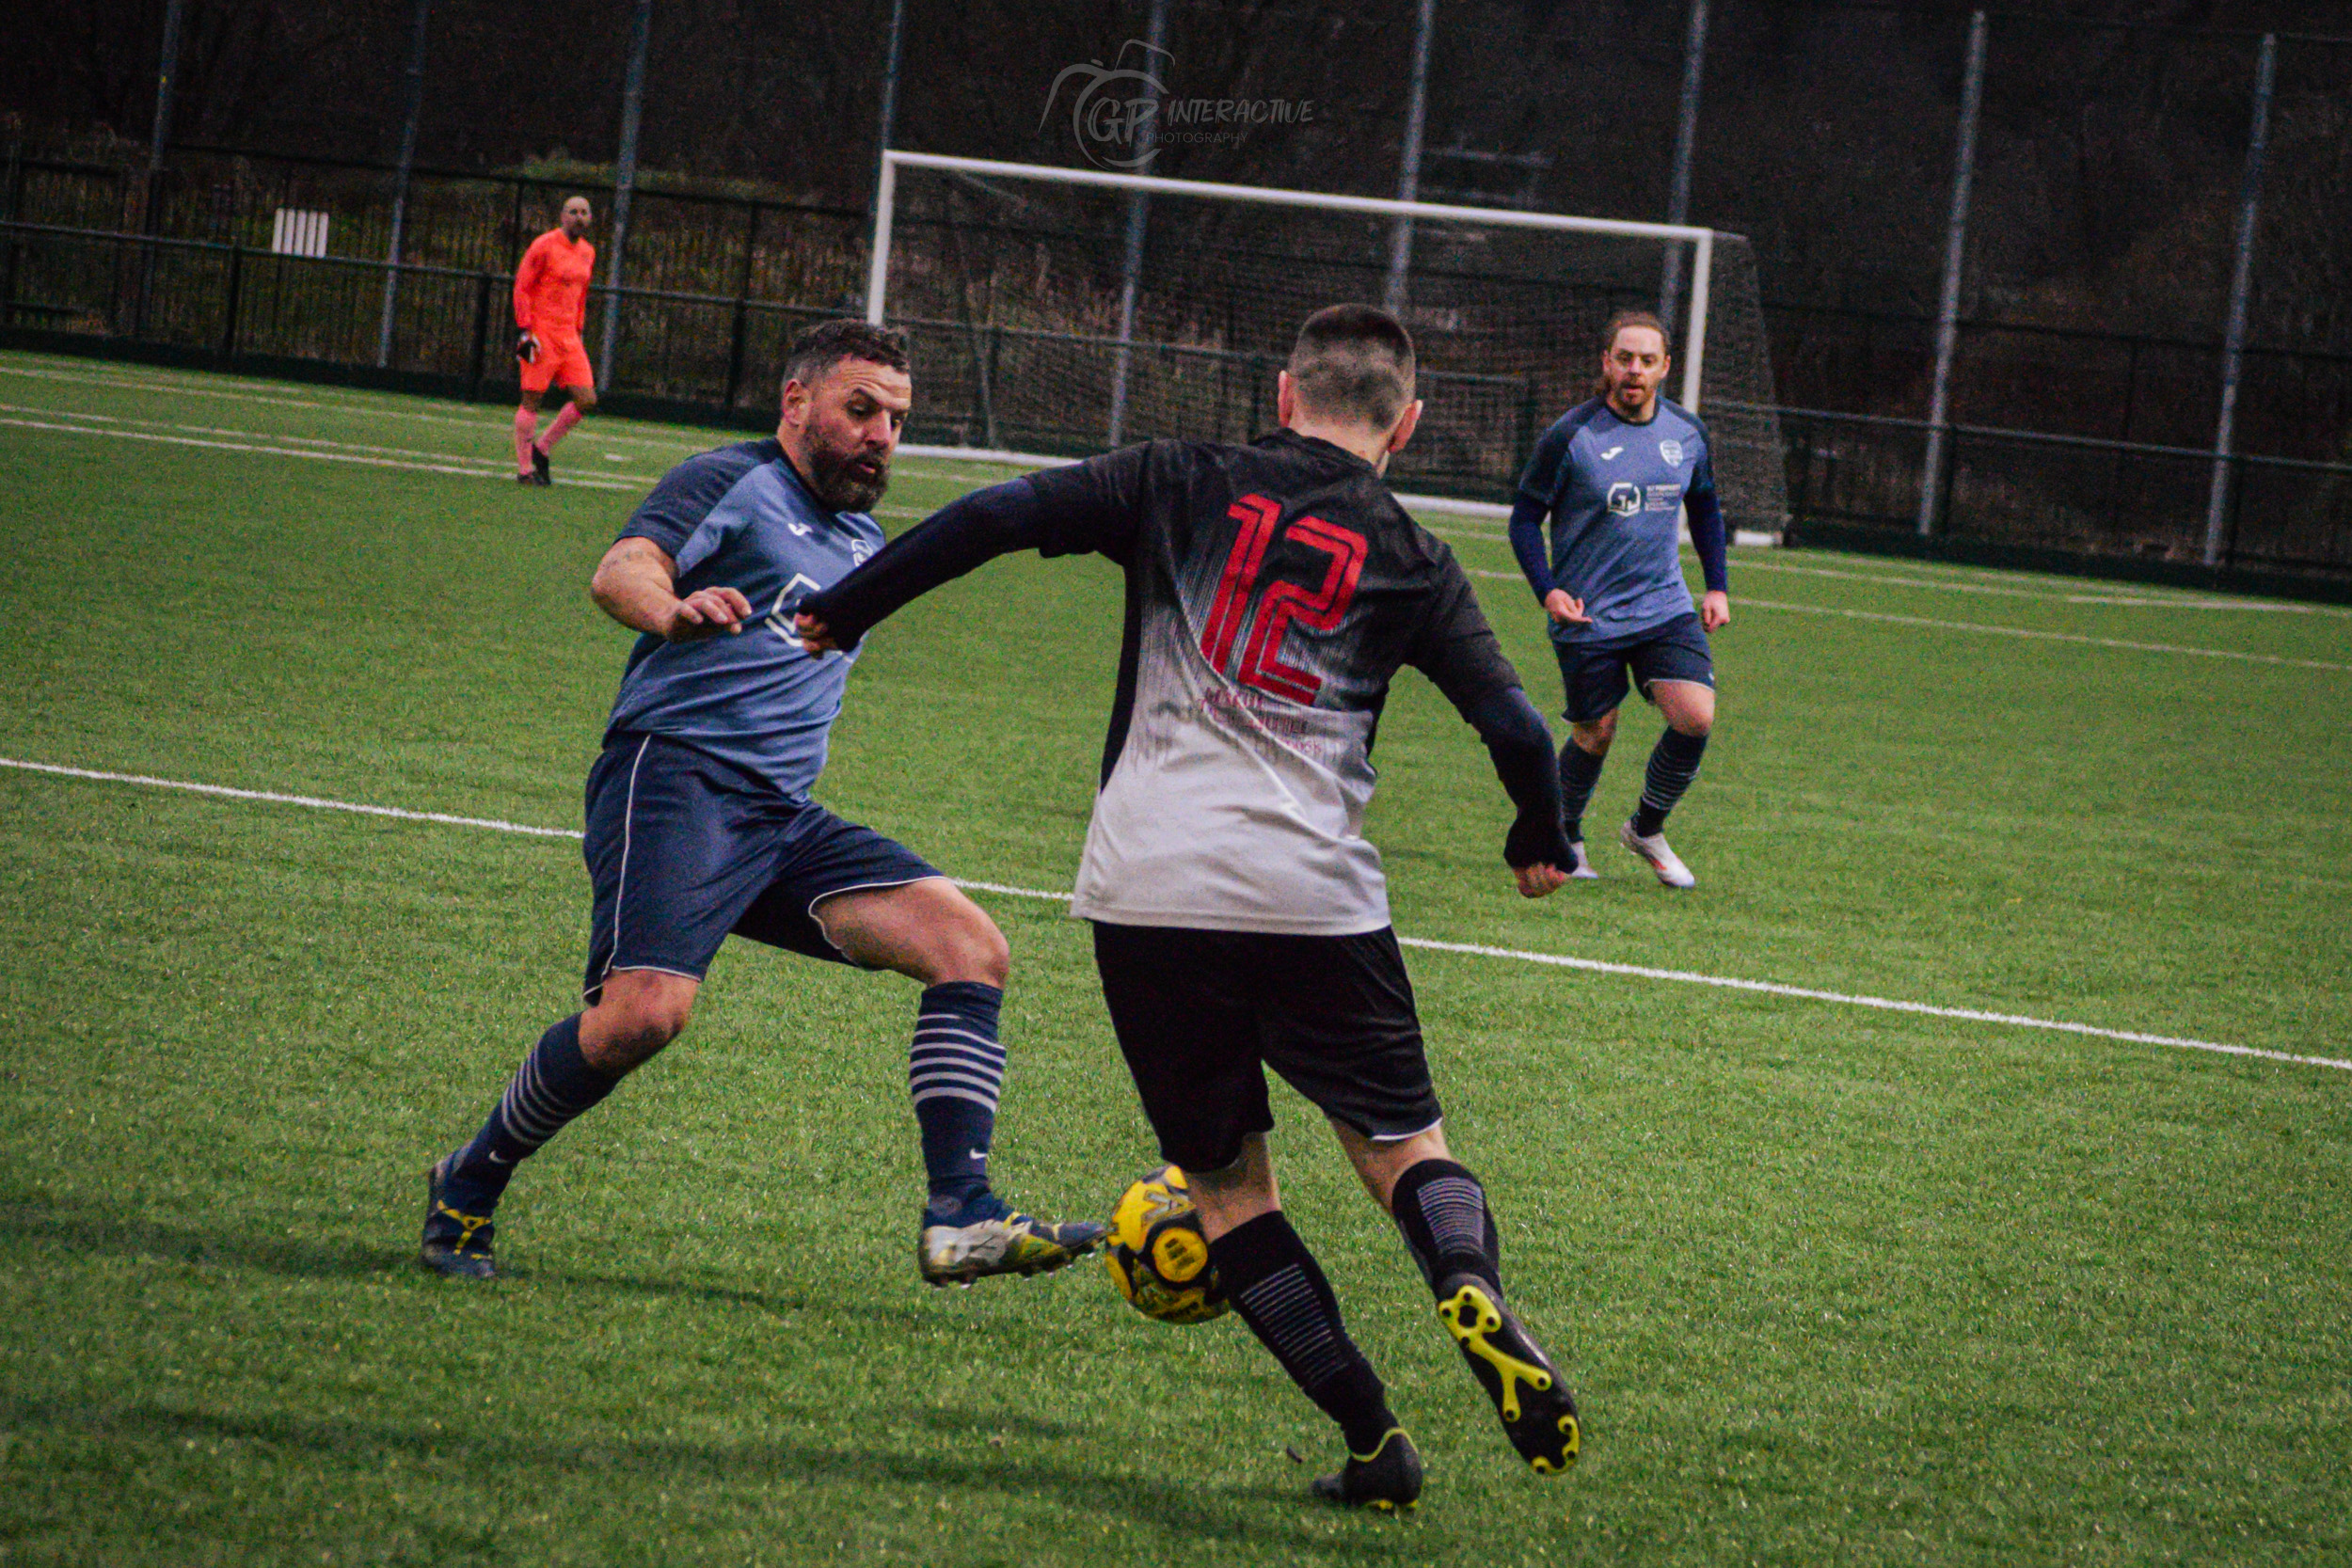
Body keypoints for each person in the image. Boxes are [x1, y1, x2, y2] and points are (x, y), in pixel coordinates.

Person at [797, 305, 1583, 1510]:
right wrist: (1540, 831)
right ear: (1407, 424)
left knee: (1225, 1193)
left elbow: (990, 518)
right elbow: (1522, 729)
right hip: (1311, 891)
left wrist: (847, 608)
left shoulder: (1175, 478)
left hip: (1148, 884)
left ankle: (1377, 1441)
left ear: (1282, 394)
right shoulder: (1414, 554)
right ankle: (1462, 1281)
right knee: (1401, 1150)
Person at [421, 319, 1105, 1288]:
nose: (881, 435)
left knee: (970, 946)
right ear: (797, 401)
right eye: (860, 408)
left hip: (780, 816)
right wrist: (673, 609)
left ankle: (961, 1215)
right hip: (677, 778)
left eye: (898, 420)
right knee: (639, 1019)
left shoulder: (860, 535)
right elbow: (622, 568)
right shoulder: (731, 480)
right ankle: (469, 1178)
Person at [1508, 309, 1732, 889]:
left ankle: (1646, 828)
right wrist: (1548, 589)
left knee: (1695, 716)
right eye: (1624, 358)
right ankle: (1567, 834)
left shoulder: (1687, 434)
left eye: (1647, 360)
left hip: (1664, 606)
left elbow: (1705, 507)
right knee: (1595, 733)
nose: (1635, 370)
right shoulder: (1570, 436)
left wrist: (1716, 586)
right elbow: (1525, 519)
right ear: (1606, 363)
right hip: (1589, 613)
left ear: (1665, 368)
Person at [512, 196, 600, 486]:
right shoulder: (544, 245)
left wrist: (579, 328)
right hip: (540, 333)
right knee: (532, 397)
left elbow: (582, 296)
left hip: (569, 337)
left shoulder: (588, 252)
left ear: (590, 218)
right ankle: (525, 469)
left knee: (586, 399)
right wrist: (524, 330)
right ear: (562, 216)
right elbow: (522, 286)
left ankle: (543, 447)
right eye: (573, 212)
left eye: (584, 213)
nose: (579, 217)